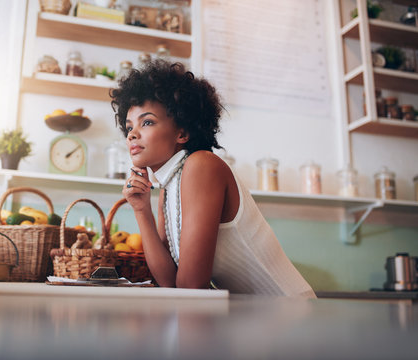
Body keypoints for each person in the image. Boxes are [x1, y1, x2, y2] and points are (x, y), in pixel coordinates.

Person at [110, 60, 316, 298]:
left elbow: (191, 287)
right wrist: (141, 210)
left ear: (182, 133)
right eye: (128, 127)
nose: (132, 134)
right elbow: (167, 281)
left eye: (147, 122)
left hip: (291, 315)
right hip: (258, 319)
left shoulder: (201, 166)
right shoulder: (167, 187)